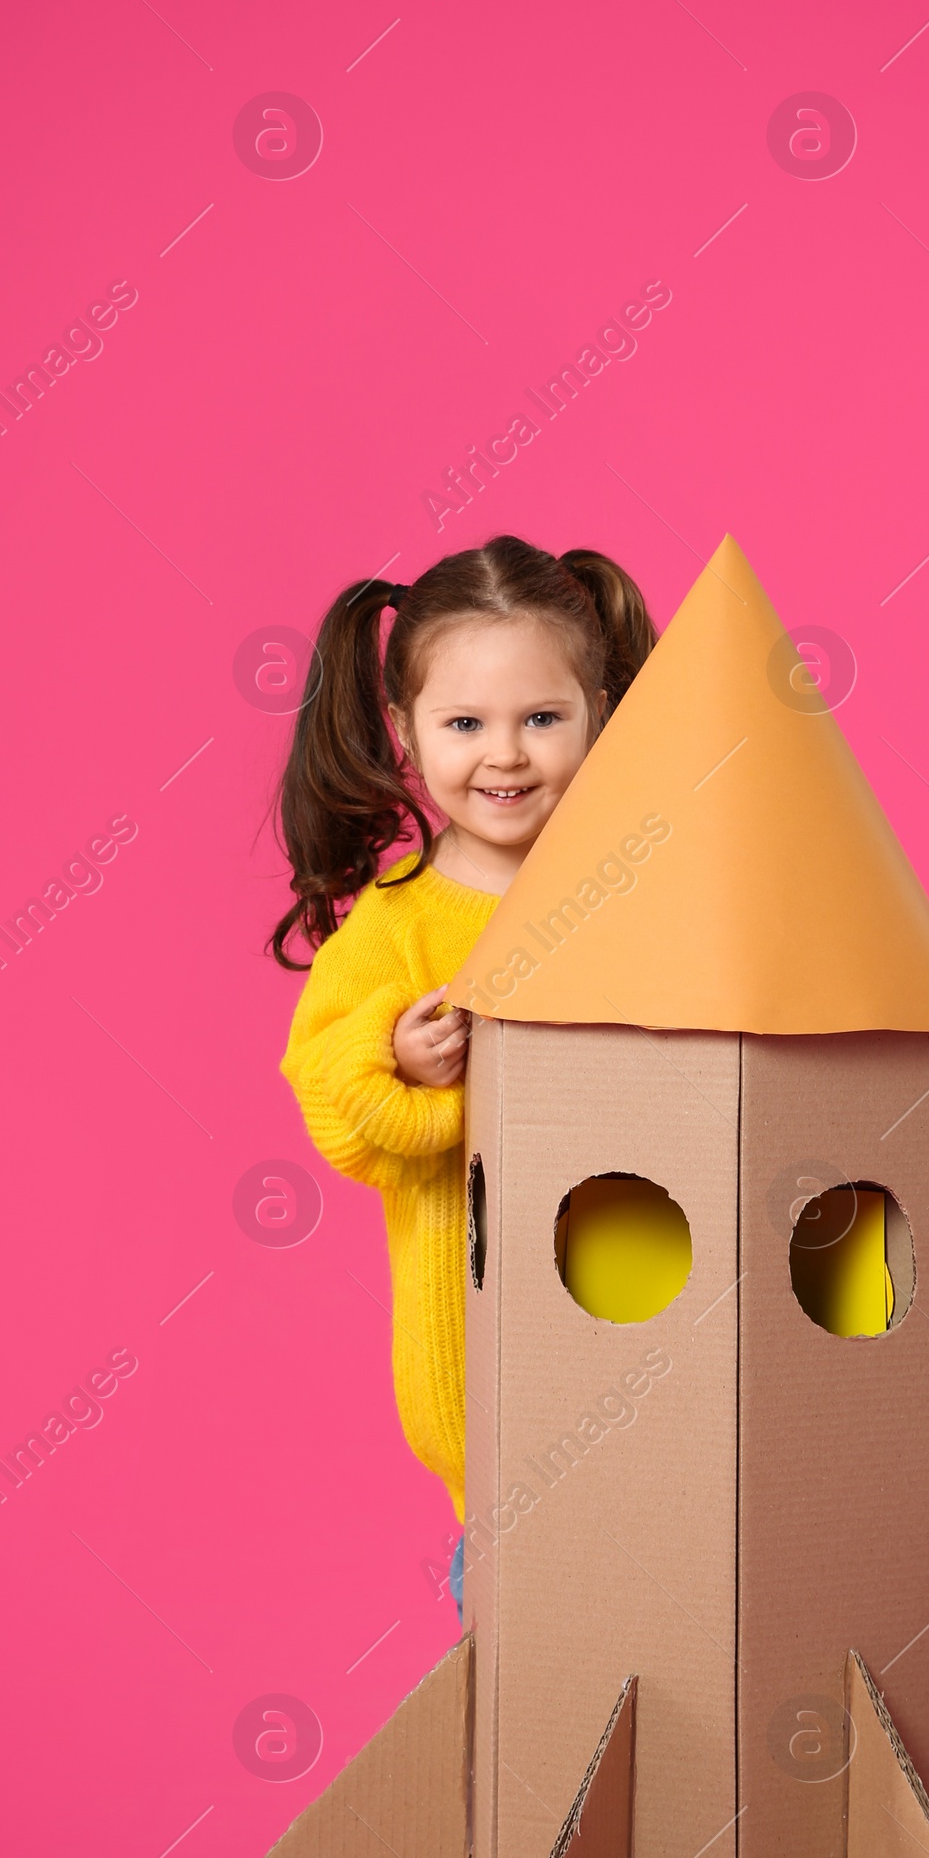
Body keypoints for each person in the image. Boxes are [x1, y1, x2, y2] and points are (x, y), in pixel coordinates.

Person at [271, 536, 657, 1616]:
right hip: (492, 1412)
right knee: (534, 1710)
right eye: (465, 724)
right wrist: (392, 1057)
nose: (507, 756)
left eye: (542, 718)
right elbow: (325, 1089)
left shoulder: (638, 888)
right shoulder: (397, 929)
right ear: (404, 733)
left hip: (647, 1354)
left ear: (599, 710)